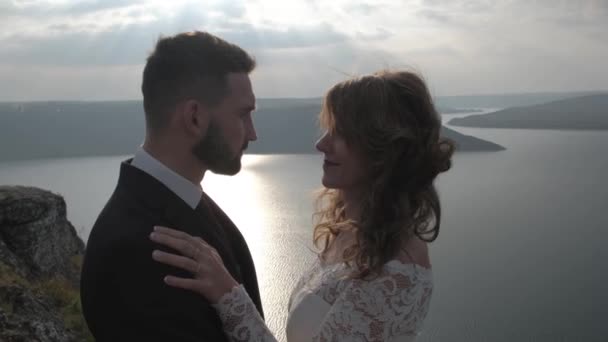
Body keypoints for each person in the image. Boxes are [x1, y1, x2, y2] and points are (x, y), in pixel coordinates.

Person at [150, 70, 455, 341]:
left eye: (341, 134)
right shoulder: (356, 234)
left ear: (383, 150)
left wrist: (227, 293)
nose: (321, 144)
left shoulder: (397, 269)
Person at [80, 31, 264, 341]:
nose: (253, 133)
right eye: (243, 114)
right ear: (194, 117)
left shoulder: (182, 204)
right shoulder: (140, 251)